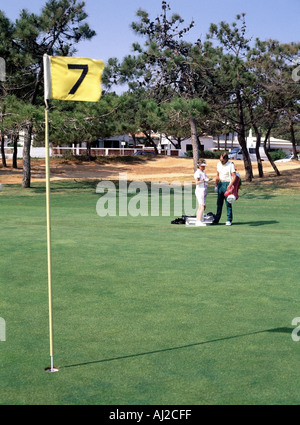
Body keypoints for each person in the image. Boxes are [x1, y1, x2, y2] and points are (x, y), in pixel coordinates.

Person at [214, 153, 237, 226]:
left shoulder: (231, 165)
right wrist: (216, 185)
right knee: (219, 203)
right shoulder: (219, 164)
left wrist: (230, 185)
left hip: (227, 184)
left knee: (228, 203)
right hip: (220, 184)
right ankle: (217, 219)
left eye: (223, 161)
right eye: (220, 160)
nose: (221, 162)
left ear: (226, 159)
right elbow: (217, 175)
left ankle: (229, 219)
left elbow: (234, 176)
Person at [194, 159, 210, 226]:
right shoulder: (198, 173)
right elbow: (197, 182)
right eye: (202, 166)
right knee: (202, 206)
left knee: (203, 206)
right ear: (199, 166)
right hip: (200, 190)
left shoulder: (203, 172)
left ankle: (200, 218)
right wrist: (203, 180)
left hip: (204, 190)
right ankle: (198, 221)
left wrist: (207, 180)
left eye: (204, 166)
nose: (204, 167)